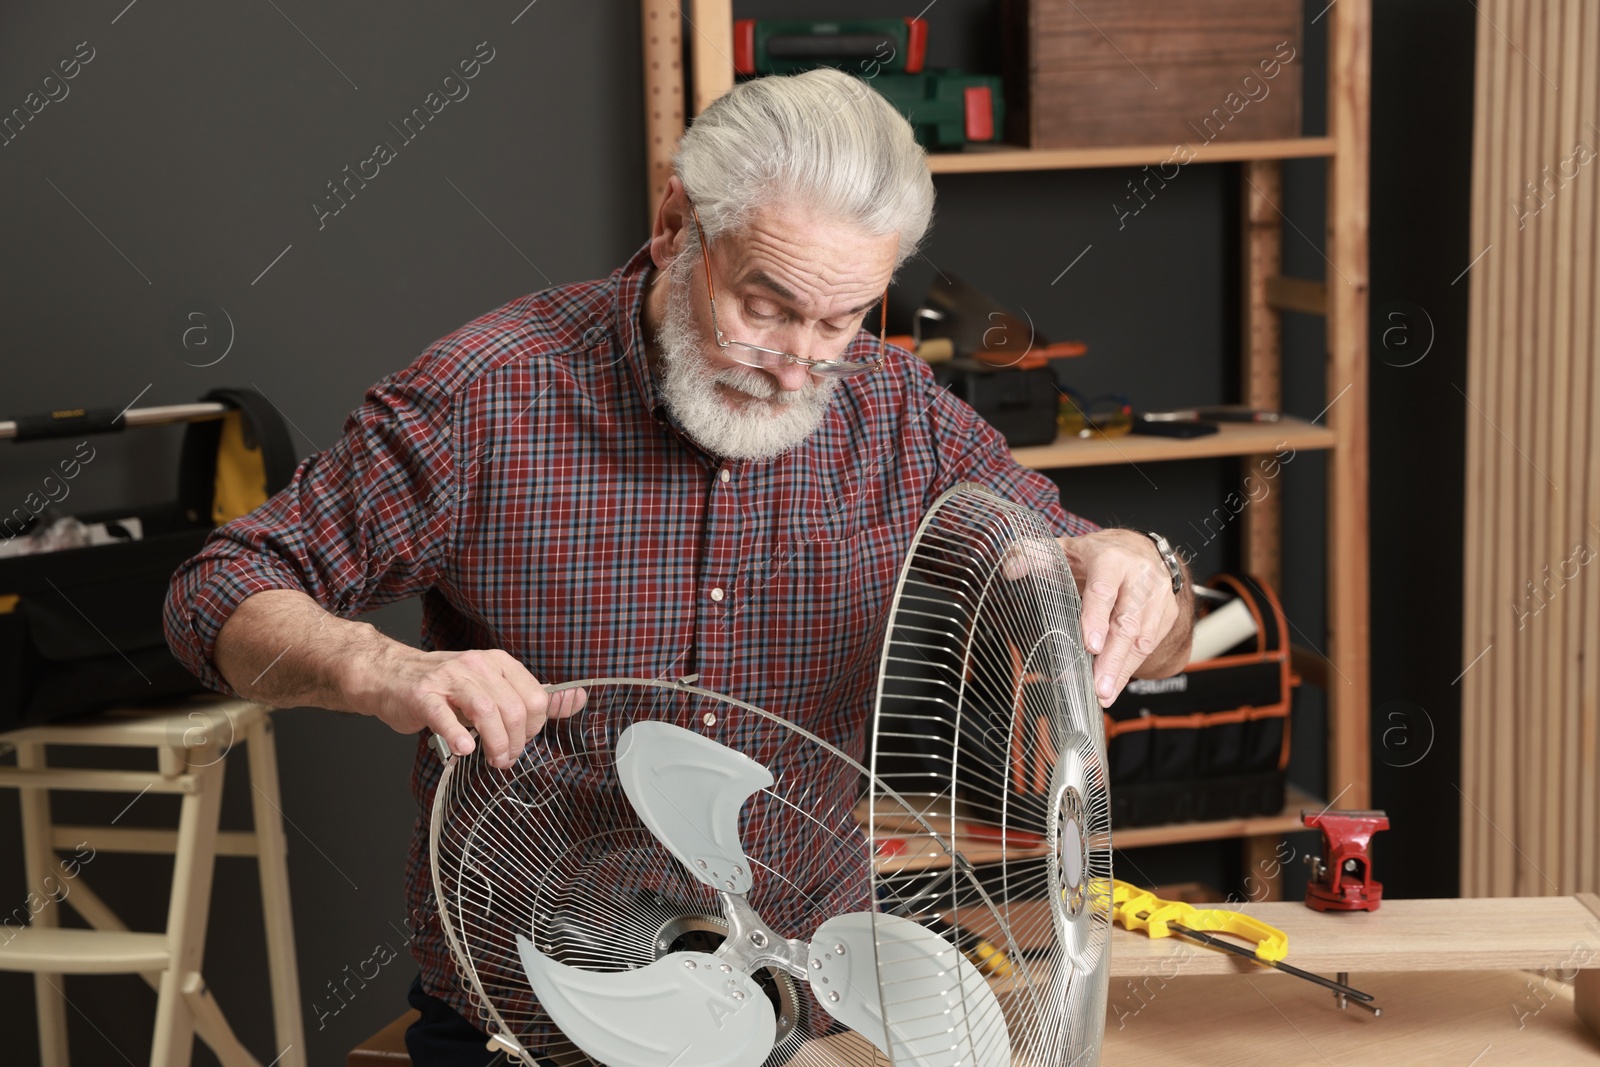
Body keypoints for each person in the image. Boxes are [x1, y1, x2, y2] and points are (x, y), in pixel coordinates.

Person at [164, 66, 1192, 1065]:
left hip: (802, 1019)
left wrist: (1140, 566)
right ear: (674, 224)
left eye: (839, 320)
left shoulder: (901, 417)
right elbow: (216, 591)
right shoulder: (485, 398)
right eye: (765, 306)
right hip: (530, 1017)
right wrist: (382, 668)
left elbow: (1121, 617)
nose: (798, 361)